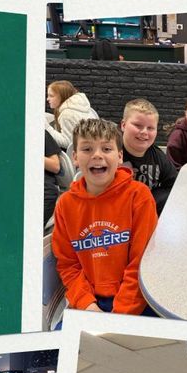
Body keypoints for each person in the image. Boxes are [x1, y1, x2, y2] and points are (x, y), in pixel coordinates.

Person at [53, 117, 158, 315]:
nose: (97, 155)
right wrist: (88, 305)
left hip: (137, 300)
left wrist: (118, 316)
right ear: (75, 157)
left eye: (106, 149)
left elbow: (142, 262)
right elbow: (68, 265)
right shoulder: (65, 205)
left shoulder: (139, 196)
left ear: (119, 157)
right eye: (87, 149)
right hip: (89, 302)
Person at [121, 98, 177, 214]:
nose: (144, 132)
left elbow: (174, 185)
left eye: (150, 128)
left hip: (146, 212)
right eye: (138, 125)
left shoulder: (159, 157)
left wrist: (149, 203)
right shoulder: (110, 152)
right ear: (123, 125)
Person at [46, 81, 98, 152]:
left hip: (79, 153)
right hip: (92, 148)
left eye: (51, 96)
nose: (47, 99)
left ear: (62, 96)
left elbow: (68, 143)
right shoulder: (83, 107)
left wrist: (47, 128)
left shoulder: (67, 115)